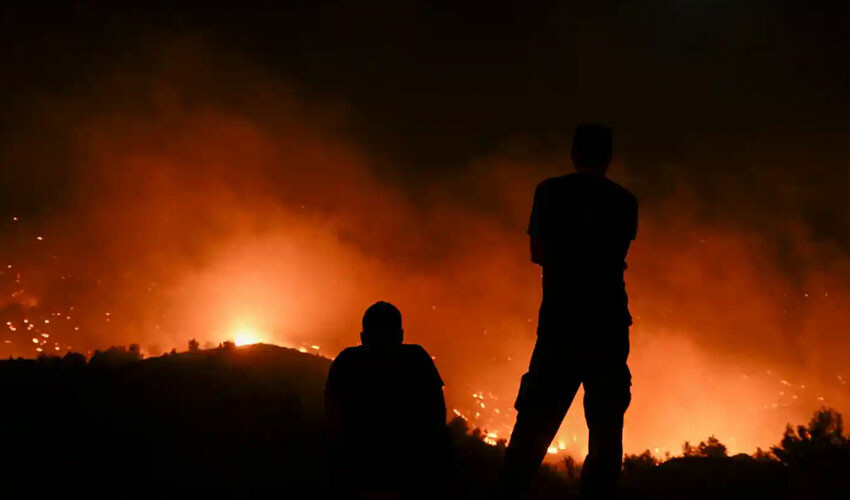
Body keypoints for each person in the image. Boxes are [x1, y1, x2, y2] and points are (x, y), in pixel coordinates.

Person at [500, 124, 638, 499]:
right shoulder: (625, 202)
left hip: (562, 323)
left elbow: (537, 253)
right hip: (608, 327)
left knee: (534, 424)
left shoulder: (550, 192)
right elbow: (617, 254)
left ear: (574, 154)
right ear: (608, 158)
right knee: (606, 432)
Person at [325, 301, 450, 499]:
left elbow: (332, 418)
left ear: (363, 337)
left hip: (358, 474)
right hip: (409, 474)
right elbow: (437, 414)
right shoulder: (417, 361)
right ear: (401, 335)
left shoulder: (347, 363)